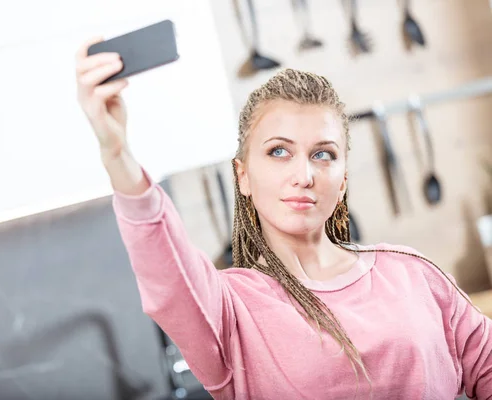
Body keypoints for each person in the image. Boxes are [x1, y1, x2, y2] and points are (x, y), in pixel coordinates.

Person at [75, 37, 492, 399]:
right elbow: (167, 271)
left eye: (322, 154)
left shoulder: (413, 274)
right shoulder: (228, 310)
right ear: (244, 177)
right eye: (279, 151)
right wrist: (117, 154)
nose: (304, 175)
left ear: (342, 180)